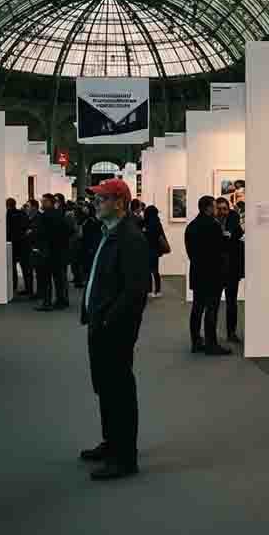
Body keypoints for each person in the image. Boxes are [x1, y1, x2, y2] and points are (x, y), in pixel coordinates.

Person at [80, 178, 149, 481]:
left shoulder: (130, 238)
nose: (96, 203)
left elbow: (136, 290)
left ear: (119, 203)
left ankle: (125, 457)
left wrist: (109, 320)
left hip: (114, 328)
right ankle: (111, 444)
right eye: (96, 198)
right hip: (101, 323)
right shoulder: (108, 233)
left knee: (119, 391)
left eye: (102, 198)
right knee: (105, 387)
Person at [185, 196, 231, 356]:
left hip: (198, 273)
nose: (217, 210)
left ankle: (196, 342)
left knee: (197, 308)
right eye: (215, 207)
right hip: (213, 275)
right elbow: (220, 250)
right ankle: (211, 344)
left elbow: (190, 252)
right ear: (208, 208)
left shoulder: (191, 226)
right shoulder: (213, 225)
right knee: (212, 309)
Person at [34, 193, 71, 312]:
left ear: (50, 202)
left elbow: (41, 233)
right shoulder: (59, 214)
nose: (42, 203)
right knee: (59, 278)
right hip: (58, 252)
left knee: (46, 279)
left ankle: (47, 302)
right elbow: (68, 231)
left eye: (44, 201)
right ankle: (61, 301)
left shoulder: (45, 216)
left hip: (47, 252)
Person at [216, 197, 245, 343]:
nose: (222, 212)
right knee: (213, 303)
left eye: (224, 209)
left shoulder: (233, 220)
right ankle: (211, 335)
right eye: (219, 209)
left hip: (232, 269)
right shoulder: (212, 222)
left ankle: (231, 332)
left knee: (231, 302)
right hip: (216, 270)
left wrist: (229, 235)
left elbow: (236, 236)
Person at [6, 197, 31, 296]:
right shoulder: (22, 213)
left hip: (12, 244)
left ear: (7, 205)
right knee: (26, 268)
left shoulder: (7, 215)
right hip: (22, 244)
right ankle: (29, 289)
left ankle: (13, 288)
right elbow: (27, 227)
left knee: (12, 268)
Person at [142, 205, 167, 299]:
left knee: (148, 271)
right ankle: (157, 290)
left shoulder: (146, 222)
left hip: (147, 249)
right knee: (155, 271)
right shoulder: (157, 222)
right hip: (155, 250)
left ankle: (149, 290)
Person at [80, 202, 103, 281]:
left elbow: (94, 234)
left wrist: (92, 246)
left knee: (89, 264)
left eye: (86, 207)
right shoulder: (85, 219)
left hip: (90, 246)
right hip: (85, 244)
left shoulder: (93, 220)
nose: (84, 209)